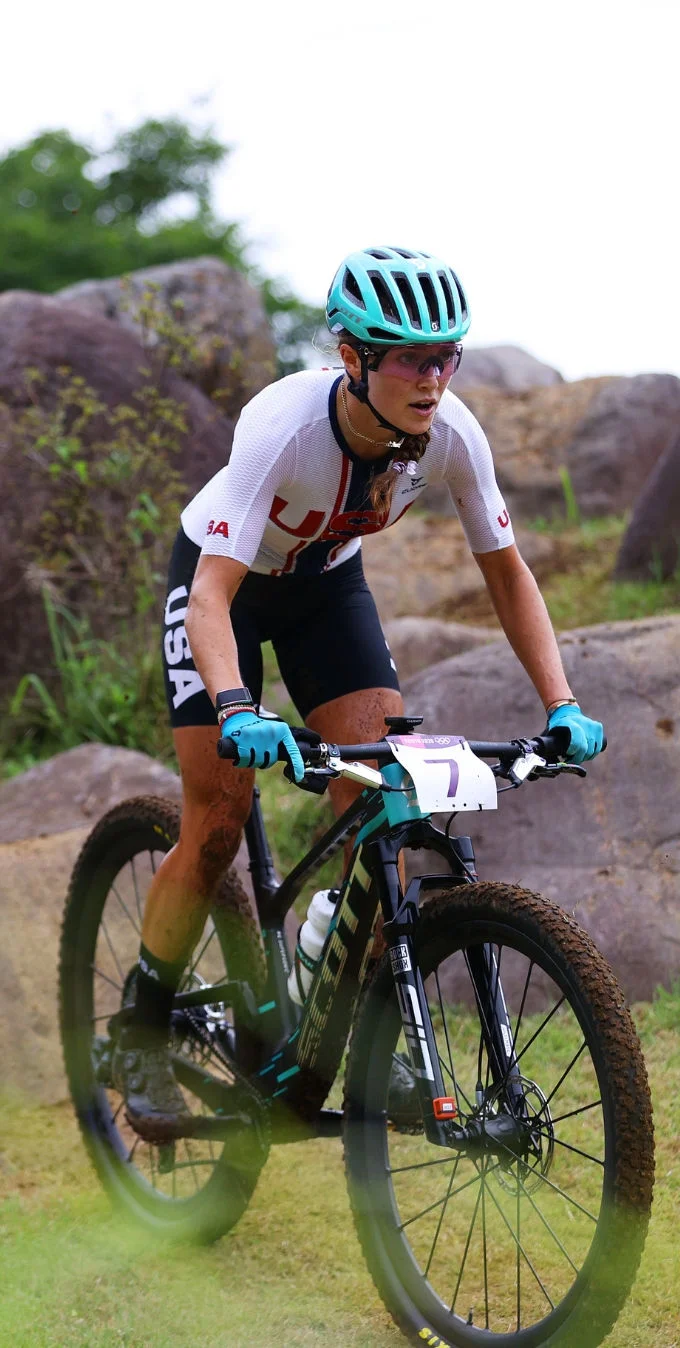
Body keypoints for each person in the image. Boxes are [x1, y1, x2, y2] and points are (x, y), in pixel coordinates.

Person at [113, 245, 604, 1139]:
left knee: (383, 805)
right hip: (223, 585)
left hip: (325, 592)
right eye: (411, 358)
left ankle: (356, 995)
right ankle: (142, 1022)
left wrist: (562, 703)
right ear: (353, 358)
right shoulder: (283, 426)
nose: (433, 377)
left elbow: (507, 572)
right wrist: (235, 708)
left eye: (446, 355)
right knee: (218, 821)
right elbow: (214, 596)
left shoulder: (453, 433)